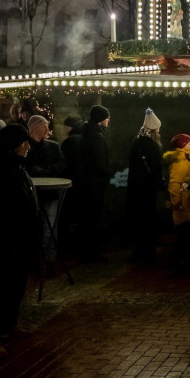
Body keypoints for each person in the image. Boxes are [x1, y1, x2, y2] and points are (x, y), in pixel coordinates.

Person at [0, 125, 39, 358]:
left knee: (15, 285)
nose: (27, 147)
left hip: (19, 240)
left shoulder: (17, 166)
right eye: (24, 143)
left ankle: (8, 326)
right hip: (3, 241)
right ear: (14, 144)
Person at [25, 115, 66, 273]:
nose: (47, 130)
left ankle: (50, 257)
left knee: (50, 226)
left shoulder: (53, 146)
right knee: (35, 226)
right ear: (35, 128)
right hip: (33, 194)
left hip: (49, 192)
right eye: (44, 126)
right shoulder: (25, 147)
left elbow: (62, 163)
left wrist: (50, 171)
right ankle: (37, 257)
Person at [126, 109, 162, 263]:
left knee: (138, 218)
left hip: (135, 187)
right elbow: (156, 167)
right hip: (148, 187)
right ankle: (148, 250)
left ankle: (138, 250)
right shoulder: (153, 145)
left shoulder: (136, 142)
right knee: (148, 219)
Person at [79, 105, 111, 261]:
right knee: (93, 217)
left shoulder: (88, 133)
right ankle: (93, 251)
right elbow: (99, 161)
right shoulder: (96, 136)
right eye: (106, 117)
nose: (108, 120)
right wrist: (107, 172)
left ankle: (88, 249)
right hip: (95, 183)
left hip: (89, 182)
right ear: (100, 119)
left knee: (89, 217)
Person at [165, 133, 190, 272]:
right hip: (184, 205)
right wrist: (177, 203)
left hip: (188, 203)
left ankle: (181, 260)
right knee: (185, 235)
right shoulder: (180, 161)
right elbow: (174, 184)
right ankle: (179, 261)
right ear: (183, 146)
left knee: (186, 235)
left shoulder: (187, 159)